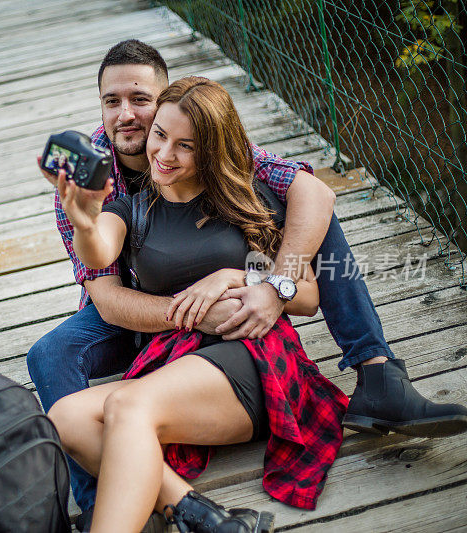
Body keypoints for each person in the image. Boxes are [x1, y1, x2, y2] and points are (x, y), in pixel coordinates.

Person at [28, 39, 467, 527]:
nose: (128, 116)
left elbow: (314, 199)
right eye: (112, 101)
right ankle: (127, 503)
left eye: (141, 101)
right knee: (52, 367)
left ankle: (377, 369)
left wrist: (261, 284)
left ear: (167, 100)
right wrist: (87, 220)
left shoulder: (220, 156)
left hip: (240, 339)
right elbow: (105, 288)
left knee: (312, 216)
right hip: (144, 315)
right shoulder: (99, 183)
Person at [48, 74, 348, 533]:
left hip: (249, 356)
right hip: (176, 362)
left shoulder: (243, 199)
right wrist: (83, 220)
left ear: (209, 150)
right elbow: (100, 253)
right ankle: (201, 516)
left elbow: (306, 295)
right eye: (160, 136)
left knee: (128, 407)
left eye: (184, 146)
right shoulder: (131, 209)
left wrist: (235, 276)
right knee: (65, 417)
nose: (164, 155)